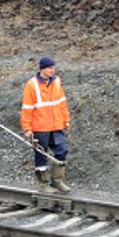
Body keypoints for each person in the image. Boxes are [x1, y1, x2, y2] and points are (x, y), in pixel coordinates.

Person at [21, 56, 71, 194]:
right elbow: (27, 108)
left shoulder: (57, 82)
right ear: (42, 69)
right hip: (40, 127)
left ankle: (57, 180)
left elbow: (62, 103)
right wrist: (27, 128)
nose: (52, 70)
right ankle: (43, 184)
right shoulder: (31, 85)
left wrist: (66, 120)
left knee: (62, 151)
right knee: (41, 155)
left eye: (53, 67)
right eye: (50, 67)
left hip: (56, 126)